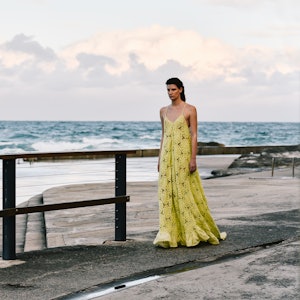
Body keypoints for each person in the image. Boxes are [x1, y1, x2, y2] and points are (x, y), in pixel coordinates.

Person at [153, 77, 227, 248]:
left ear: (180, 89)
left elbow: (194, 135)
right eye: (168, 90)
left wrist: (193, 158)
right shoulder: (163, 111)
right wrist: (159, 159)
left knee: (184, 192)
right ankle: (169, 233)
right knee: (167, 194)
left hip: (183, 156)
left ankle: (190, 230)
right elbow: (163, 135)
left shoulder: (190, 109)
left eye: (173, 89)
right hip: (167, 157)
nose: (170, 93)